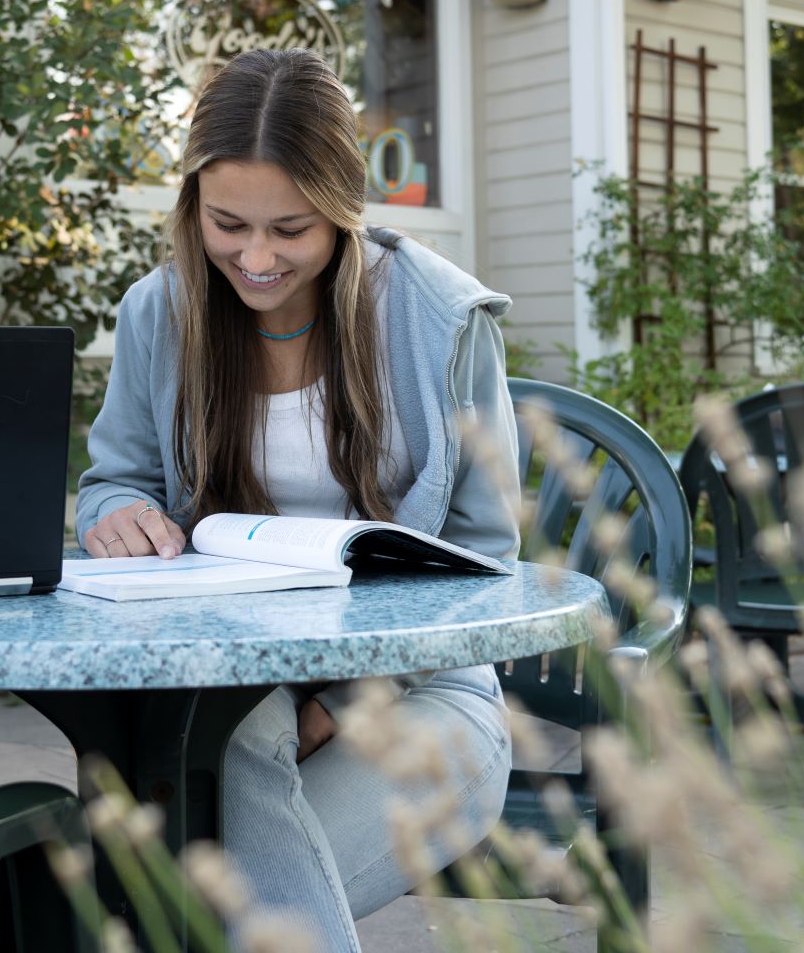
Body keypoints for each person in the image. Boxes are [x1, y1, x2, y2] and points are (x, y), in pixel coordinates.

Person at [76, 47, 519, 950]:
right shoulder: (159, 313)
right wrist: (114, 515)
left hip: (425, 682)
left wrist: (352, 694)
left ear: (345, 212)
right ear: (192, 204)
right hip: (235, 677)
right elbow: (110, 482)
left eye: (292, 228)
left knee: (198, 902)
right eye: (227, 224)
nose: (256, 257)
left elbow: (485, 560)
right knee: (208, 803)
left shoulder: (438, 318)